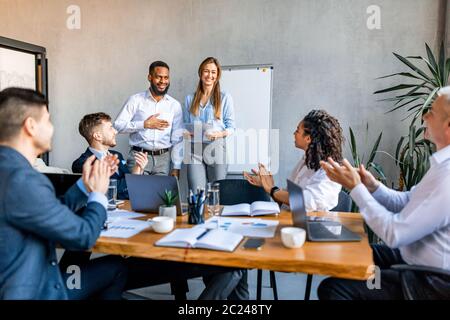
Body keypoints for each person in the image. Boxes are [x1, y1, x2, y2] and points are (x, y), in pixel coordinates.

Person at [318, 88, 450, 300]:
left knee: (334, 289)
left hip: (427, 283)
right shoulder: (441, 167)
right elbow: (406, 201)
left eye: (432, 112)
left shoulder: (447, 178)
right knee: (352, 252)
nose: (425, 116)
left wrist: (355, 189)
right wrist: (372, 186)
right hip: (411, 261)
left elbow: (394, 233)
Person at [0, 87, 127, 299]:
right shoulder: (23, 180)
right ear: (30, 126)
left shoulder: (10, 172)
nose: (52, 128)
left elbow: (46, 211)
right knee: (116, 267)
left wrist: (84, 188)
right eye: (47, 121)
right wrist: (98, 194)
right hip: (38, 291)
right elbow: (84, 236)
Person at [244, 109, 343, 211]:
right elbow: (287, 202)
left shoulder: (330, 170)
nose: (294, 133)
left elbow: (307, 202)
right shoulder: (305, 161)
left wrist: (271, 189)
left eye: (297, 131)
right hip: (290, 222)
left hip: (313, 225)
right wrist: (267, 185)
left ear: (308, 138)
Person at [114, 61, 184, 178]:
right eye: (159, 77)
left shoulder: (174, 105)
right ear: (150, 77)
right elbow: (117, 126)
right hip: (139, 156)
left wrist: (176, 166)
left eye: (166, 77)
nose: (163, 81)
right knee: (137, 194)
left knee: (159, 196)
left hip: (163, 160)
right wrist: (144, 124)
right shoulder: (135, 100)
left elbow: (178, 138)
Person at [184, 57, 235, 191]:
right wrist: (187, 133)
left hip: (216, 147)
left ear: (217, 75)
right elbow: (184, 125)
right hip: (195, 148)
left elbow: (231, 127)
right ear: (200, 73)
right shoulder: (190, 98)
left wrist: (220, 134)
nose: (209, 75)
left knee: (217, 192)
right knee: (195, 193)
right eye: (206, 71)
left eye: (213, 72)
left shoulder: (225, 97)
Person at [72, 112, 148, 199]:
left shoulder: (118, 155)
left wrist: (138, 168)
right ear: (98, 136)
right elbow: (110, 190)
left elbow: (131, 188)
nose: (115, 132)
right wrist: (134, 175)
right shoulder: (82, 164)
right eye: (110, 128)